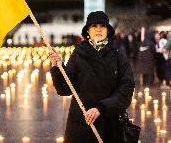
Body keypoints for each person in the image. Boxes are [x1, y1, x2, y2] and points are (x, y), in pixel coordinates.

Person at [49, 11, 135, 143]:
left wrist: (101, 108)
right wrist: (58, 68)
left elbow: (126, 89)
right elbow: (65, 89)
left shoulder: (118, 55)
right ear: (88, 31)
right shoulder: (78, 53)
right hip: (82, 123)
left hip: (109, 123)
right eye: (94, 26)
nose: (99, 29)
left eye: (103, 26)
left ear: (108, 31)